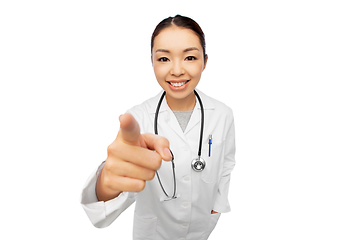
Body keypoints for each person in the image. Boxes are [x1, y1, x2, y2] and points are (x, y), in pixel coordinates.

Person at [81, 14, 236, 240]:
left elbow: (226, 164)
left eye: (190, 57)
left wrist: (217, 205)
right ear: (152, 61)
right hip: (153, 233)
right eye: (164, 59)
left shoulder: (223, 114)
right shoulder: (138, 118)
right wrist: (106, 182)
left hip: (202, 229)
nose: (176, 70)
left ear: (205, 61)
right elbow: (112, 194)